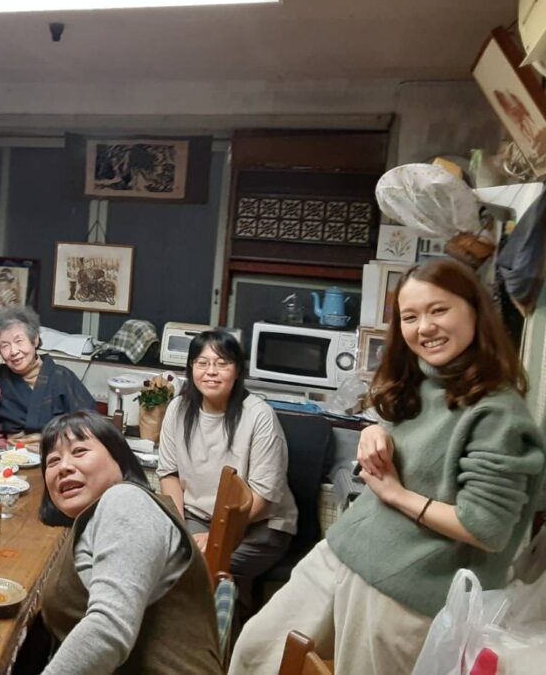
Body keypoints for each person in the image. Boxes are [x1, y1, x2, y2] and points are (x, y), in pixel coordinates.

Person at [230, 259, 546, 675]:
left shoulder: (497, 412)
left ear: (475, 310)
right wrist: (374, 433)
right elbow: (416, 450)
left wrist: (396, 494)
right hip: (345, 551)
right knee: (255, 652)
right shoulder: (424, 381)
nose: (424, 327)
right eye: (410, 317)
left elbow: (486, 528)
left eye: (438, 310)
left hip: (406, 591)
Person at [37, 411, 222, 675]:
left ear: (119, 459)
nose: (64, 467)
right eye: (53, 461)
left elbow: (107, 630)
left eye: (79, 452)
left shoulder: (126, 503)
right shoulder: (98, 516)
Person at [157, 330, 297, 601]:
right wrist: (181, 528)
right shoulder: (178, 409)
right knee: (163, 559)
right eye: (202, 363)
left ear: (237, 371)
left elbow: (263, 496)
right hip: (197, 519)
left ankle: (223, 625)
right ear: (191, 368)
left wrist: (216, 536)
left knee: (203, 570)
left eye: (222, 363)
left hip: (257, 526)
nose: (211, 371)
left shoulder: (259, 416)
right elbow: (169, 474)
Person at [0, 306, 96, 439]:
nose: (13, 351)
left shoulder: (62, 377)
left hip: (58, 448)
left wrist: (47, 439)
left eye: (19, 341)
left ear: (35, 340)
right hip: (10, 450)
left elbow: (89, 423)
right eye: (5, 345)